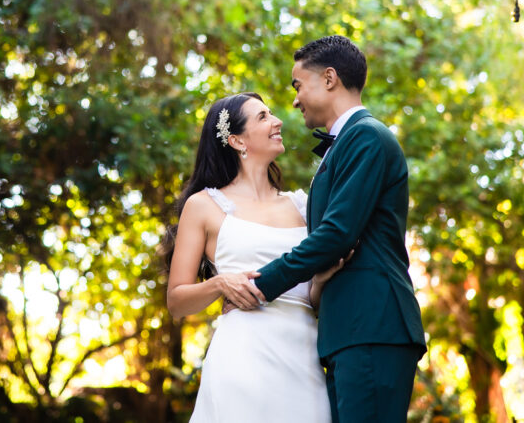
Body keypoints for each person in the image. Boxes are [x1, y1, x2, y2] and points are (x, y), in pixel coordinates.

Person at [244, 35, 426, 423]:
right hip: (349, 330)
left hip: (372, 324)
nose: (294, 99)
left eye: (297, 85)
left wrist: (260, 284)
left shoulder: (366, 135)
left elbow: (336, 234)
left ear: (329, 79)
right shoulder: (346, 142)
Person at [163, 91, 345, 422]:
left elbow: (311, 299)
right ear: (236, 140)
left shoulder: (303, 205)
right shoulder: (204, 205)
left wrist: (322, 279)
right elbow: (177, 301)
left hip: (305, 357)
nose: (277, 122)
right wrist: (220, 284)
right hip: (243, 358)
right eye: (263, 117)